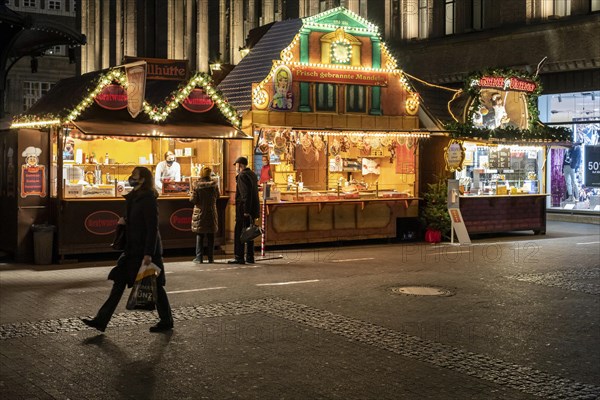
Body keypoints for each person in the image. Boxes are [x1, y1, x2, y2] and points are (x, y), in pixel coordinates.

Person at [81, 166, 174, 333]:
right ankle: (101, 320)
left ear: (143, 179)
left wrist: (148, 253)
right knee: (119, 282)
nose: (131, 177)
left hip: (145, 251)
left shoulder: (148, 199)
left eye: (134, 175)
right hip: (131, 250)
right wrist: (124, 221)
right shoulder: (133, 197)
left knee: (156, 286)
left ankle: (166, 320)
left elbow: (152, 228)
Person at [229, 156, 260, 264]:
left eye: (236, 165)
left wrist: (245, 211)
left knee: (240, 234)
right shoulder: (252, 174)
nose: (235, 168)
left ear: (240, 165)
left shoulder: (242, 176)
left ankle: (239, 257)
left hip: (243, 211)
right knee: (249, 233)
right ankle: (250, 257)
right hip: (252, 210)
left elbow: (245, 195)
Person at [190, 166, 219, 264]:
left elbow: (193, 200)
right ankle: (211, 258)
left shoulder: (196, 185)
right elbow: (217, 196)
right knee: (211, 235)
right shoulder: (214, 185)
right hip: (211, 211)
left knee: (200, 234)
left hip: (200, 212)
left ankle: (199, 258)